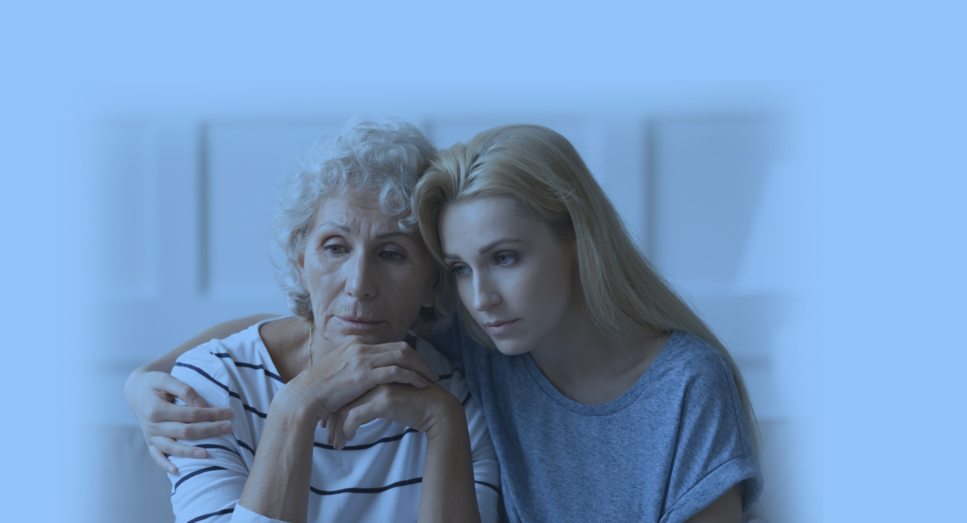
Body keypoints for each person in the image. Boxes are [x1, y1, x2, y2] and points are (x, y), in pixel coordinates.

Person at [127, 123, 762, 522]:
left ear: (576, 240)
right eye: (460, 267)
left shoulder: (681, 384)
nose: (481, 296)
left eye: (505, 258)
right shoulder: (480, 341)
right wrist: (145, 378)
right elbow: (324, 320)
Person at [126, 119, 500, 523]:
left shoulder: (455, 400)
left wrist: (443, 423)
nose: (358, 285)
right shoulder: (216, 386)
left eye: (392, 254)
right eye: (335, 248)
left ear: (433, 282)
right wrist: (296, 406)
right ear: (301, 262)